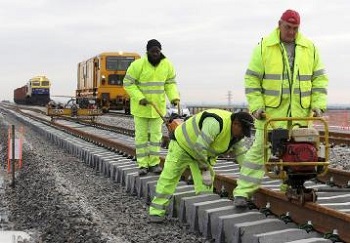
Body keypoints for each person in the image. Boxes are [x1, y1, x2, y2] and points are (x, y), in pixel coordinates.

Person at [233, 9, 329, 207]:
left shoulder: (309, 48)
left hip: (301, 115)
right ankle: (242, 192)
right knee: (260, 153)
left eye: (295, 28)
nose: (291, 32)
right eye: (288, 27)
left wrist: (318, 105)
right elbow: (252, 78)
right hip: (271, 115)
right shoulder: (264, 47)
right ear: (279, 24)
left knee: (298, 153)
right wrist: (257, 106)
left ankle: (291, 188)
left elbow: (319, 78)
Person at [148, 109, 254, 222]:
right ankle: (156, 212)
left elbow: (243, 158)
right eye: (243, 131)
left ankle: (203, 216)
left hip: (201, 154)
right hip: (182, 145)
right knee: (169, 178)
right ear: (235, 124)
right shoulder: (215, 123)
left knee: (205, 184)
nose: (243, 135)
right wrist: (205, 169)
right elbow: (200, 148)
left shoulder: (237, 136)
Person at [123, 39, 180, 176]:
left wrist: (173, 97)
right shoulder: (138, 65)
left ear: (160, 51)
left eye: (158, 51)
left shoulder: (167, 65)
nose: (155, 54)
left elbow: (170, 83)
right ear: (147, 51)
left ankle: (154, 164)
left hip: (157, 109)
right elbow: (128, 83)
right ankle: (143, 164)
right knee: (141, 137)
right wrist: (140, 98)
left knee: (156, 137)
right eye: (153, 51)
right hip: (141, 108)